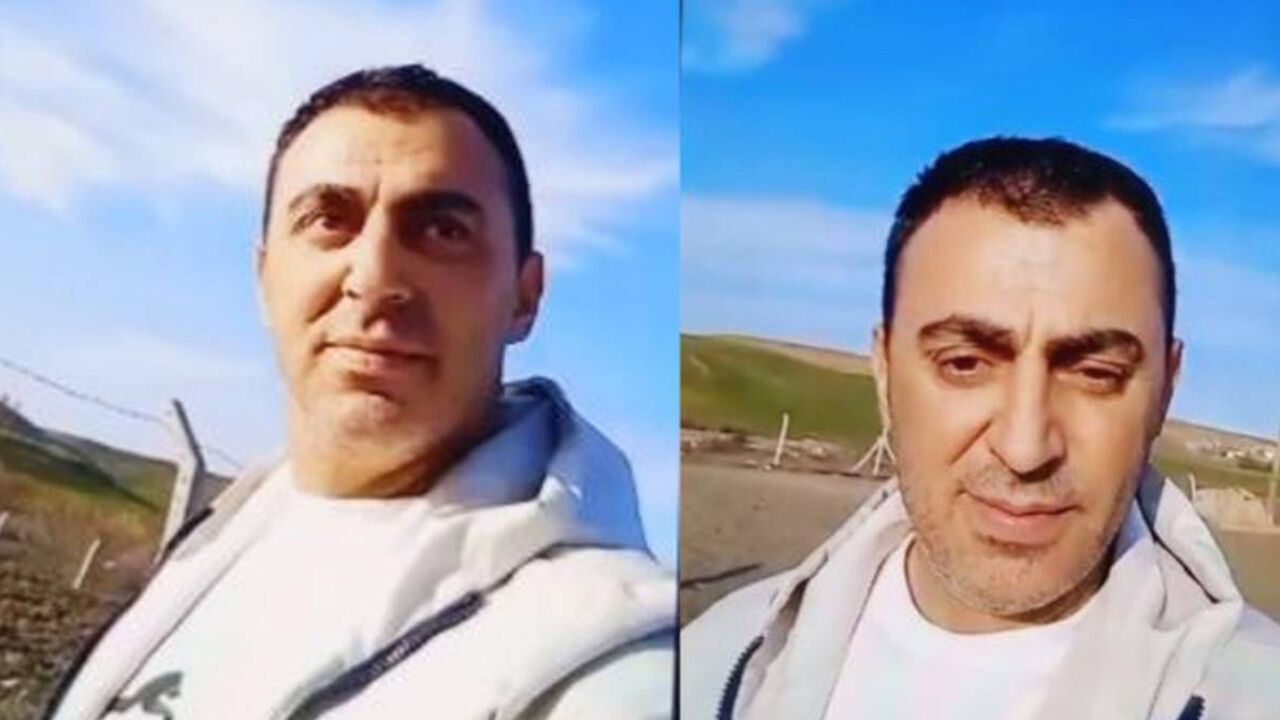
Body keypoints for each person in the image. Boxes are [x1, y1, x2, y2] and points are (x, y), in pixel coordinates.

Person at [46, 65, 674, 720]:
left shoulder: (599, 662)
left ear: (524, 297)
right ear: (264, 278)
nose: (373, 277)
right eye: (327, 219)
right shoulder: (221, 540)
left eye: (442, 230)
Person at [681, 137, 1280, 719]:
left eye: (1096, 373)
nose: (1024, 448)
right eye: (964, 363)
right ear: (885, 372)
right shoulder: (713, 661)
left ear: (1166, 389)